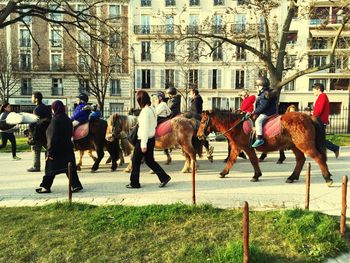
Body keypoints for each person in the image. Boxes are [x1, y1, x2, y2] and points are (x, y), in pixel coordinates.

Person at [126, 90, 171, 189]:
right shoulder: (152, 109)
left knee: (135, 161)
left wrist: (143, 144)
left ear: (140, 101)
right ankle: (164, 177)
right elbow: (153, 125)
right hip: (151, 139)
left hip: (143, 139)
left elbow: (144, 129)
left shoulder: (145, 112)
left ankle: (134, 183)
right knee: (150, 161)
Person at [35, 100, 83, 193]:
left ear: (54, 109)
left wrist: (49, 152)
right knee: (70, 169)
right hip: (68, 148)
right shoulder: (67, 119)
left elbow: (51, 137)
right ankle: (76, 185)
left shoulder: (55, 120)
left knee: (50, 169)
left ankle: (45, 187)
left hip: (57, 150)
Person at [312, 83, 340, 158]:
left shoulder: (322, 96)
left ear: (318, 89)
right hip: (319, 121)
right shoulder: (321, 97)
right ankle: (321, 153)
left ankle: (334, 148)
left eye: (314, 90)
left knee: (319, 139)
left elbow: (319, 111)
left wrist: (312, 117)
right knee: (318, 139)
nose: (313, 92)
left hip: (319, 121)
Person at [27, 92, 52, 172]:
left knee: (35, 149)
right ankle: (49, 166)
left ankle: (36, 166)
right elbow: (49, 119)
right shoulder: (47, 108)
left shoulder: (36, 109)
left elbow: (34, 123)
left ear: (36, 99)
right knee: (48, 149)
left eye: (32, 97)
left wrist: (31, 134)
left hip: (38, 133)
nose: (31, 99)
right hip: (46, 132)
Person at [251, 76, 277, 148]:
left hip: (267, 113)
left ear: (261, 87)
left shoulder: (264, 95)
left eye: (257, 86)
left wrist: (254, 112)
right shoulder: (266, 93)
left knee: (258, 121)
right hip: (270, 111)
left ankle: (259, 138)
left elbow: (262, 106)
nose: (256, 88)